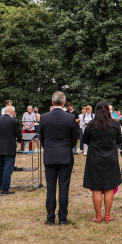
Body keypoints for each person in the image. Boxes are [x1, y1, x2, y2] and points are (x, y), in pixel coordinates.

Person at [39, 91, 79, 225]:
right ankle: (62, 218)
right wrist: (66, 147)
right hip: (65, 155)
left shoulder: (44, 117)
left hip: (50, 155)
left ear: (52, 102)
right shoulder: (69, 118)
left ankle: (50, 218)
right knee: (63, 187)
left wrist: (49, 147)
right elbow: (74, 139)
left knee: (50, 188)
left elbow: (42, 138)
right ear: (63, 103)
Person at [83, 100, 122, 223]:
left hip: (95, 158)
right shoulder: (115, 124)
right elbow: (119, 140)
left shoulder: (91, 124)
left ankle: (98, 216)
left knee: (96, 188)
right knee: (109, 187)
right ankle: (107, 215)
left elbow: (85, 140)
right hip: (110, 158)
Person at [0, 105, 22, 196]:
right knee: (7, 169)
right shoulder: (14, 121)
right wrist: (20, 138)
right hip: (9, 147)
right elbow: (18, 134)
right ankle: (5, 188)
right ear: (13, 113)